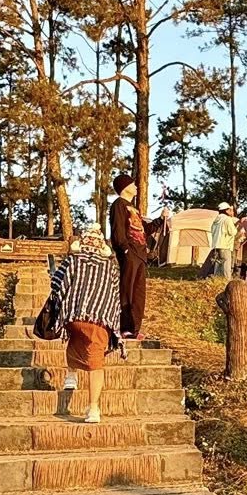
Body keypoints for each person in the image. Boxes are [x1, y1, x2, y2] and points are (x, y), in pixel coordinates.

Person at [36, 228, 122, 424]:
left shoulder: (72, 260)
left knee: (75, 338)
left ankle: (71, 376)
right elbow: (116, 292)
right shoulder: (110, 266)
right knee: (96, 363)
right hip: (99, 317)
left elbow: (57, 284)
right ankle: (93, 408)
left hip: (73, 316)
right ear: (101, 246)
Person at [108, 173, 149, 338]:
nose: (136, 187)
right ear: (125, 187)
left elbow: (144, 230)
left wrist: (161, 220)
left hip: (140, 255)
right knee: (127, 291)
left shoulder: (134, 209)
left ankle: (134, 329)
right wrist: (125, 249)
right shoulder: (119, 205)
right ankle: (124, 327)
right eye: (133, 184)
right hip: (130, 253)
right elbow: (117, 229)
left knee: (138, 294)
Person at [203, 203, 236, 278]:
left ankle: (216, 279)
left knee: (217, 265)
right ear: (226, 210)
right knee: (226, 266)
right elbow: (232, 232)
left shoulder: (216, 220)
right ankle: (226, 280)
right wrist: (236, 228)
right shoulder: (227, 219)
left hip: (216, 246)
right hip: (225, 246)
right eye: (229, 210)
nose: (231, 211)